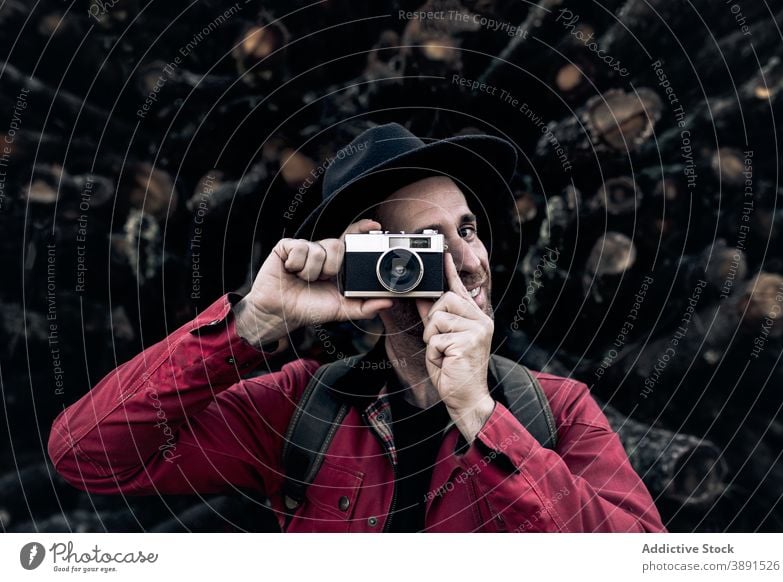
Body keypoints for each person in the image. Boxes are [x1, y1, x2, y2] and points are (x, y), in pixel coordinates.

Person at [48, 123, 666, 533]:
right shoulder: (302, 412)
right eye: (425, 245)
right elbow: (84, 455)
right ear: (372, 268)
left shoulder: (554, 410)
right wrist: (250, 323)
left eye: (467, 230)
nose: (472, 263)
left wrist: (482, 416)